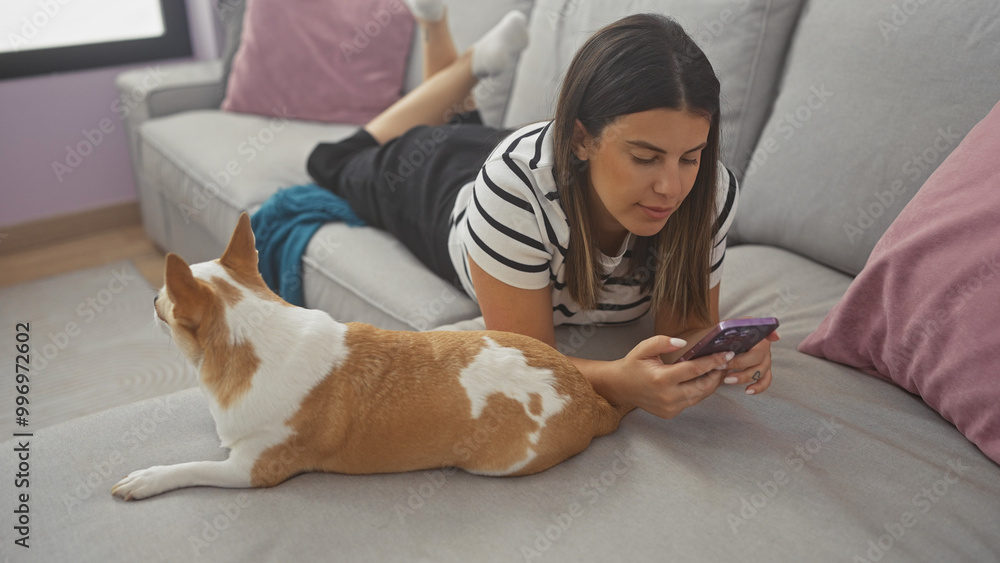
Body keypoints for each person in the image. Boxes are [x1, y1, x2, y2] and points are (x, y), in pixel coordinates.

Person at [306, 3, 778, 420]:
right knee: (335, 161)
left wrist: (727, 352)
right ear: (581, 139)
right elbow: (523, 356)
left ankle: (449, 42)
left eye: (690, 157)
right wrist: (617, 380)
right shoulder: (511, 189)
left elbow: (682, 334)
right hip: (442, 187)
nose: (671, 188)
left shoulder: (708, 193)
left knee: (464, 125)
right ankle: (461, 53)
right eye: (645, 157)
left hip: (539, 164)